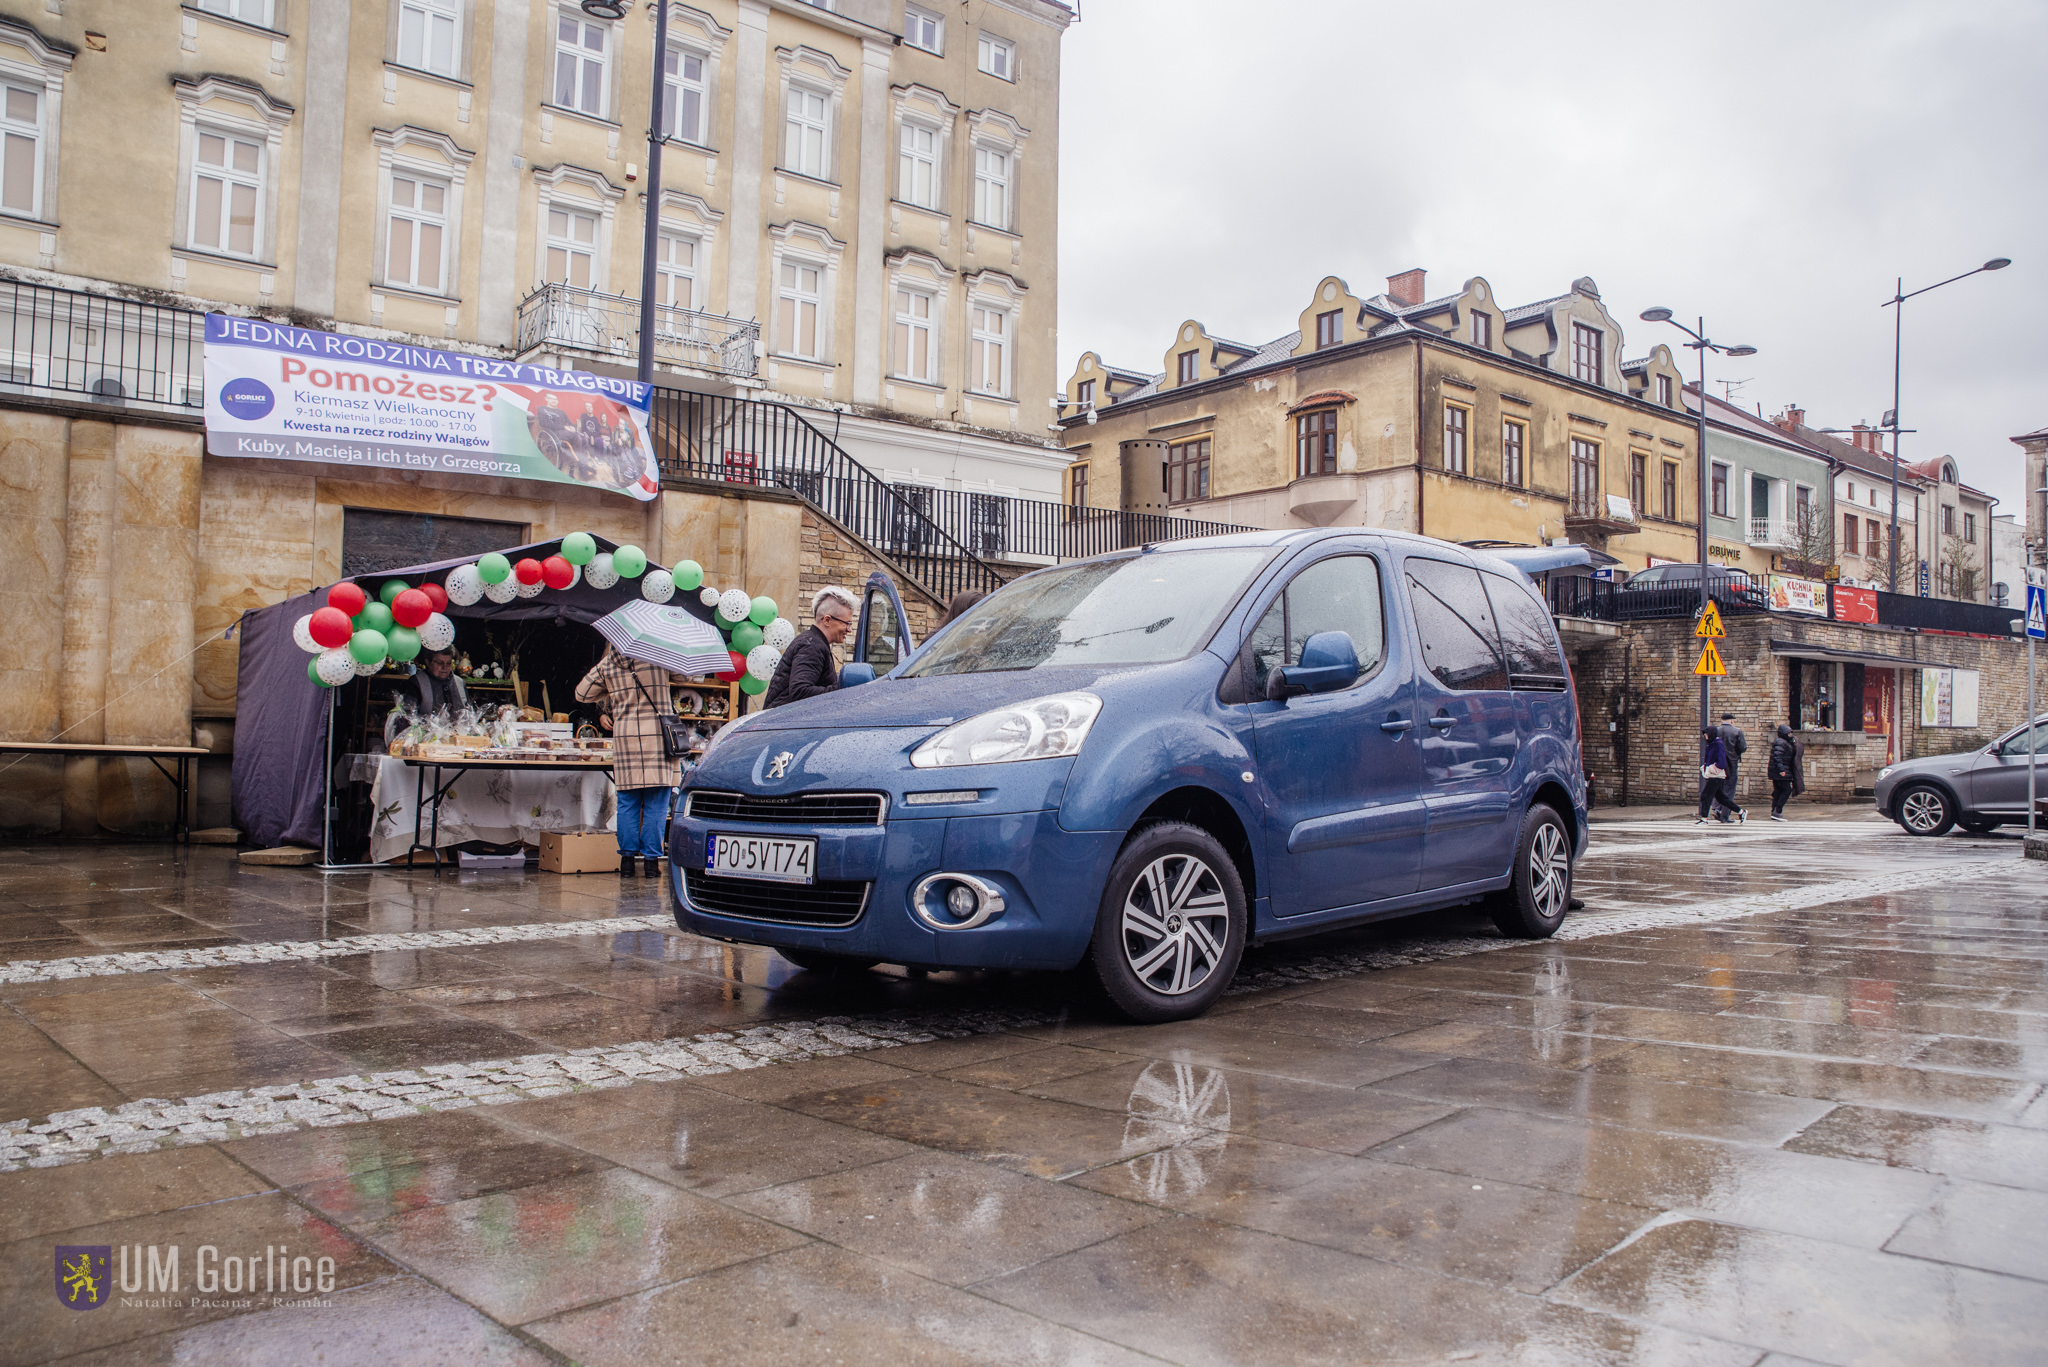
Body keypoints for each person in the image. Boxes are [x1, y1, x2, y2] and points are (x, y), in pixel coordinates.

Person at [575, 645, 686, 878]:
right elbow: (687, 675)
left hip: (625, 738)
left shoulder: (608, 664)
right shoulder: (658, 656)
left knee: (627, 803)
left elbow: (581, 694)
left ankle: (626, 862)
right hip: (657, 738)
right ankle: (650, 862)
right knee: (656, 804)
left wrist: (609, 689)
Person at [764, 585, 857, 708]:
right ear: (827, 620)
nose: (849, 630)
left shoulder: (813, 642)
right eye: (847, 623)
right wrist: (842, 690)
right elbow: (800, 691)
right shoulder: (812, 646)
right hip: (785, 724)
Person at [1697, 726, 1742, 825]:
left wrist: (1713, 768)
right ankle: (1741, 812)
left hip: (1716, 775)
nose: (1705, 736)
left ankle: (1704, 819)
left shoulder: (1718, 744)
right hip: (1713, 774)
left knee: (1705, 795)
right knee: (1722, 798)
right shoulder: (1712, 744)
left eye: (1706, 733)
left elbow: (1721, 761)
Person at [412, 647, 467, 718]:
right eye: (439, 663)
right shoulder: (417, 682)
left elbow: (467, 712)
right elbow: (409, 714)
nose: (444, 667)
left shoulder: (459, 682)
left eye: (448, 663)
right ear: (428, 662)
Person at [1767, 723, 1806, 821]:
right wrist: (1781, 770)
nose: (1790, 735)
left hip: (1779, 771)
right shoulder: (1781, 743)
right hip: (1781, 772)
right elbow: (1777, 756)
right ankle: (1777, 811)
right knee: (1786, 790)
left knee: (1778, 791)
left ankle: (1774, 811)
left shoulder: (1784, 742)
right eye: (1788, 733)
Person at [1716, 711, 1749, 822]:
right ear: (1732, 721)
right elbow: (1743, 747)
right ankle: (1725, 815)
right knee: (1730, 789)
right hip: (1731, 762)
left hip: (1718, 763)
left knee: (1718, 787)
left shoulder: (1717, 731)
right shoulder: (1737, 731)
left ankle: (1717, 808)